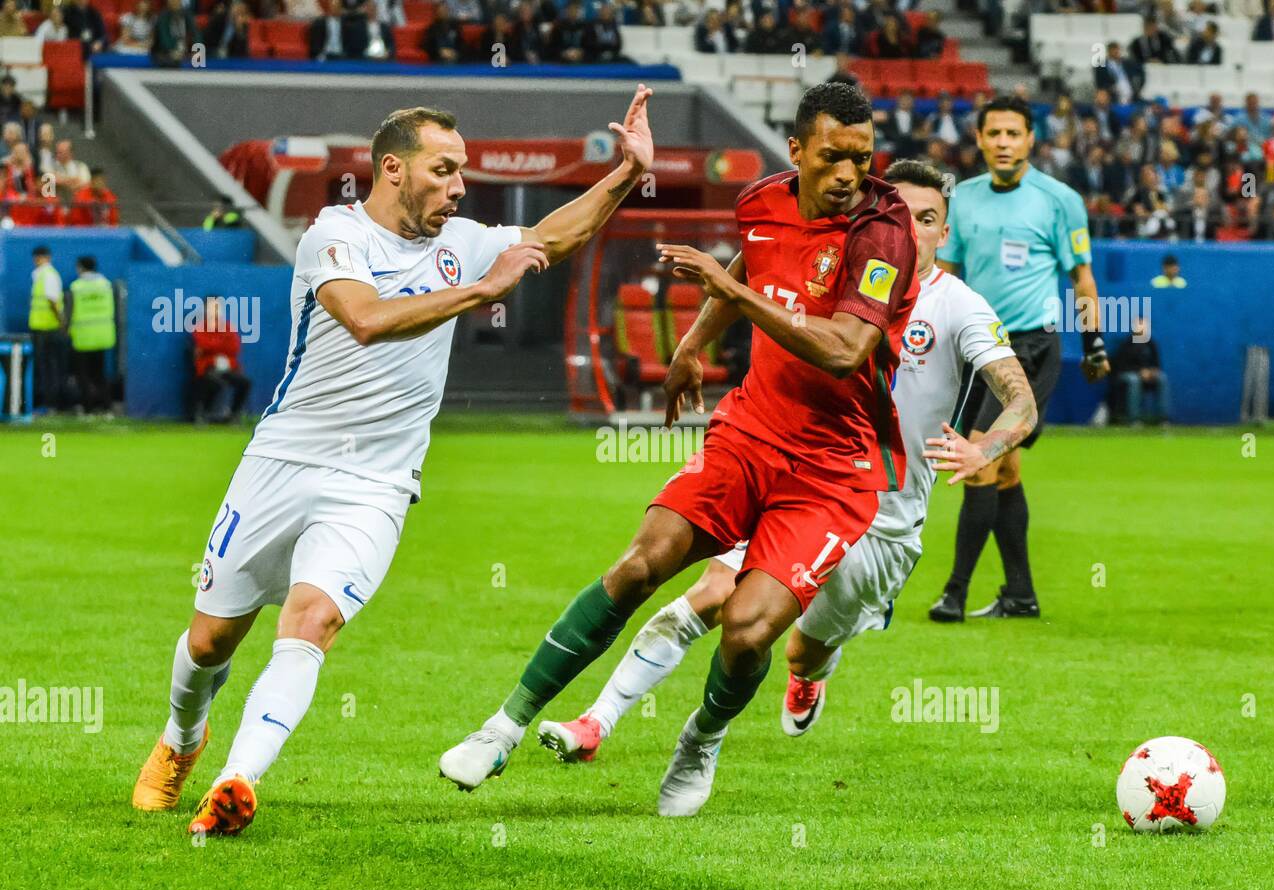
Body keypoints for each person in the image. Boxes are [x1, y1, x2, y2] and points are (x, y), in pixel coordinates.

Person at [131, 88, 657, 837]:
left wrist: (627, 175)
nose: (460, 186)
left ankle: (235, 780)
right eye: (444, 170)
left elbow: (548, 238)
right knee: (212, 640)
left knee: (312, 620)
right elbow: (367, 320)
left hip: (376, 483)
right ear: (393, 170)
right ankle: (184, 740)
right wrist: (479, 290)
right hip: (284, 461)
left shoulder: (462, 241)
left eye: (463, 171)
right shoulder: (333, 235)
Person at [438, 82, 920, 817]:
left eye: (862, 157)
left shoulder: (883, 231)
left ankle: (701, 739)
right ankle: (501, 727)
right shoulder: (761, 202)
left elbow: (846, 351)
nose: (850, 174)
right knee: (640, 564)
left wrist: (727, 285)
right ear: (797, 152)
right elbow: (752, 278)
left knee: (748, 627)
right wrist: (694, 342)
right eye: (832, 158)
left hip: (834, 470)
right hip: (750, 431)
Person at [536, 159, 1037, 760]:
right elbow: (744, 275)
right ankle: (596, 722)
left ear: (944, 231)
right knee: (712, 594)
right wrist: (693, 343)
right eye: (901, 215)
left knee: (803, 647)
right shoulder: (835, 282)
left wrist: (985, 444)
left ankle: (810, 673)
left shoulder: (959, 306)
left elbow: (1021, 400)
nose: (912, 230)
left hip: (884, 523)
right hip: (801, 482)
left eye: (927, 219)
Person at [929, 94, 1109, 623]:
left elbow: (1082, 276)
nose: (1004, 143)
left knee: (980, 459)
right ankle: (1021, 594)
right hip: (976, 348)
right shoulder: (961, 199)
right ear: (980, 140)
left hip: (1031, 348)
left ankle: (954, 594)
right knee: (1005, 471)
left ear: (1031, 139)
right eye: (995, 134)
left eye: (1014, 134)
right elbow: (948, 273)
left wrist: (1094, 342)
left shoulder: (1060, 200)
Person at [66, 256, 116, 414]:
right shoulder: (105, 285)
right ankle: (107, 407)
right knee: (100, 374)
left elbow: (69, 310)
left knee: (83, 375)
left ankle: (88, 408)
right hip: (102, 335)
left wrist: (66, 328)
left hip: (83, 336)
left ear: (80, 267)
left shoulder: (77, 286)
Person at [192, 297, 251, 423]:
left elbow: (234, 348)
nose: (215, 310)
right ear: (205, 309)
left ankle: (233, 414)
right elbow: (203, 345)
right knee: (214, 382)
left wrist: (214, 345)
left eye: (217, 307)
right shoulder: (200, 327)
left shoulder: (228, 327)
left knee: (244, 383)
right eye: (212, 307)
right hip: (208, 368)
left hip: (227, 368)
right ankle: (203, 413)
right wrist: (220, 344)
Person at [1110, 317, 1169, 424]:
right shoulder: (1126, 345)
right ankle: (1134, 419)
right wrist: (1140, 372)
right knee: (1134, 380)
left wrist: (1153, 372)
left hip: (1147, 376)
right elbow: (1121, 366)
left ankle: (1163, 418)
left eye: (1144, 325)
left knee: (1162, 378)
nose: (1141, 328)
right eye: (1139, 325)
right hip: (1127, 376)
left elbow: (1157, 364)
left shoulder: (1151, 344)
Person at [28, 245, 66, 412]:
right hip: (40, 327)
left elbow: (52, 301)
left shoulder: (49, 275)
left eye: (40, 256)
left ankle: (52, 403)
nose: (37, 260)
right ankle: (46, 402)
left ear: (46, 257)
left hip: (49, 328)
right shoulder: (41, 275)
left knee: (49, 367)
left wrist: (61, 323)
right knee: (45, 366)